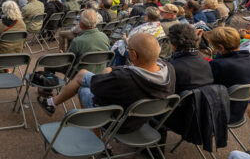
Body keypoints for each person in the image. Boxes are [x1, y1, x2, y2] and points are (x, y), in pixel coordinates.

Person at [40, 32, 176, 134]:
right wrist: (113, 70)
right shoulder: (168, 69)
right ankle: (52, 102)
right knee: (89, 76)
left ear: (133, 55)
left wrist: (108, 74)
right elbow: (132, 70)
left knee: (82, 84)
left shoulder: (123, 79)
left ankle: (96, 137)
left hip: (116, 122)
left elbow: (96, 87)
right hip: (141, 119)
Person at [204, 27, 250, 123]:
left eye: (213, 46)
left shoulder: (219, 65)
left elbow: (206, 85)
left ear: (221, 48)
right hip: (239, 111)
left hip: (219, 114)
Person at [166, 24, 214, 94]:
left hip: (184, 104)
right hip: (206, 103)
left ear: (173, 44)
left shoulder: (171, 67)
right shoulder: (205, 63)